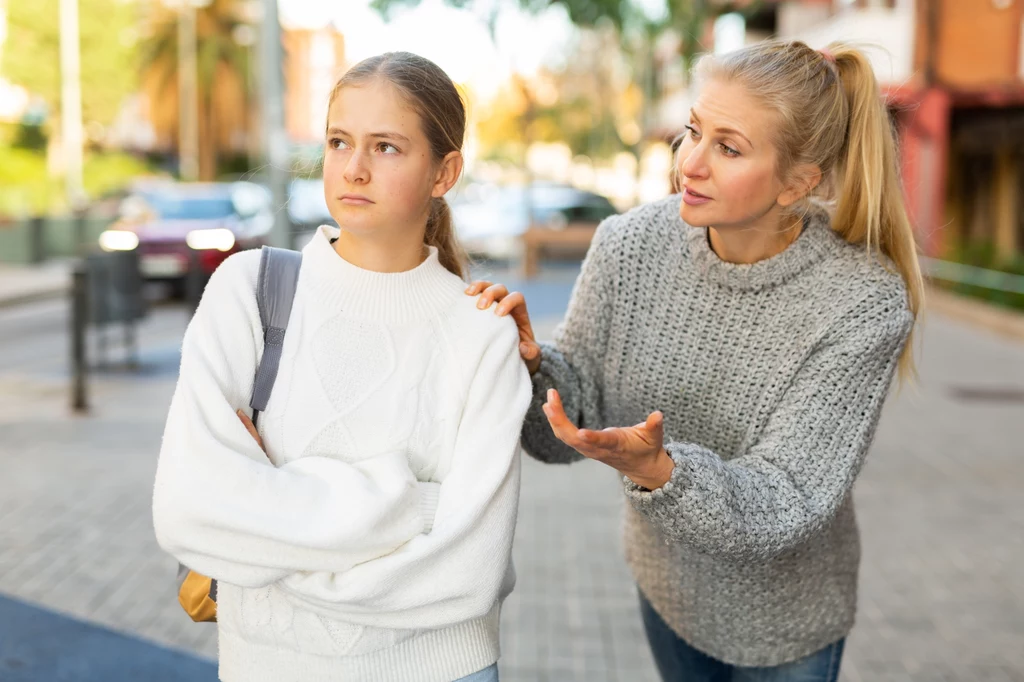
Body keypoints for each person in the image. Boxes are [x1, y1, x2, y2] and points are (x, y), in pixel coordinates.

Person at [466, 40, 922, 682]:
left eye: (728, 148)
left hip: (784, 625)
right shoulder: (628, 245)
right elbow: (569, 425)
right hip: (667, 590)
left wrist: (663, 469)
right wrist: (527, 367)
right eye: (692, 132)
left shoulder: (862, 302)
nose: (690, 164)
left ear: (799, 181)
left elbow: (790, 496)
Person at [153, 52, 531, 682]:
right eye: (338, 141)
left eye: (386, 147)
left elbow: (469, 573)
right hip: (267, 666)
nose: (353, 168)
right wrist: (418, 510)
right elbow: (190, 508)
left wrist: (268, 536)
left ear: (445, 171)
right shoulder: (252, 290)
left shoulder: (483, 334)